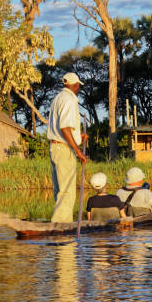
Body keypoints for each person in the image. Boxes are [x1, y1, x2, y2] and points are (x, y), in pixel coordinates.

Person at [47, 72, 87, 223]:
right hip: (64, 150)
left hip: (55, 148)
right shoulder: (69, 100)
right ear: (75, 85)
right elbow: (64, 128)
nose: (79, 89)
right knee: (67, 191)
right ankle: (61, 226)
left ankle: (58, 223)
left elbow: (62, 128)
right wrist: (78, 152)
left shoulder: (58, 98)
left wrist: (78, 137)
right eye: (78, 86)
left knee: (60, 190)